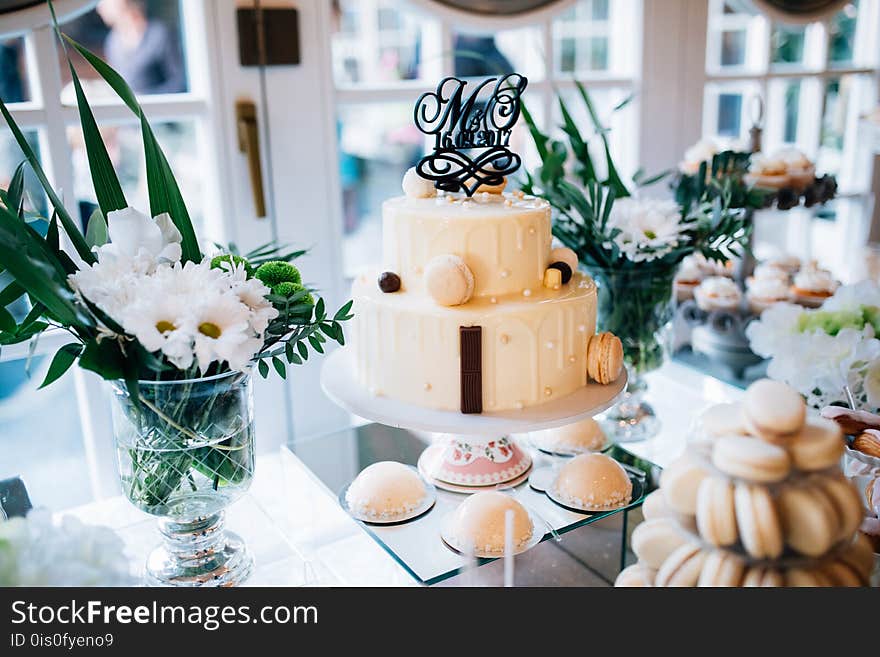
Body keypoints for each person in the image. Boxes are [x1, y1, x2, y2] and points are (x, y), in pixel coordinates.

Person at [96, 0, 186, 94]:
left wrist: (143, 97)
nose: (99, 7)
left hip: (160, 107)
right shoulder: (112, 41)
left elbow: (180, 83)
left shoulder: (159, 34)